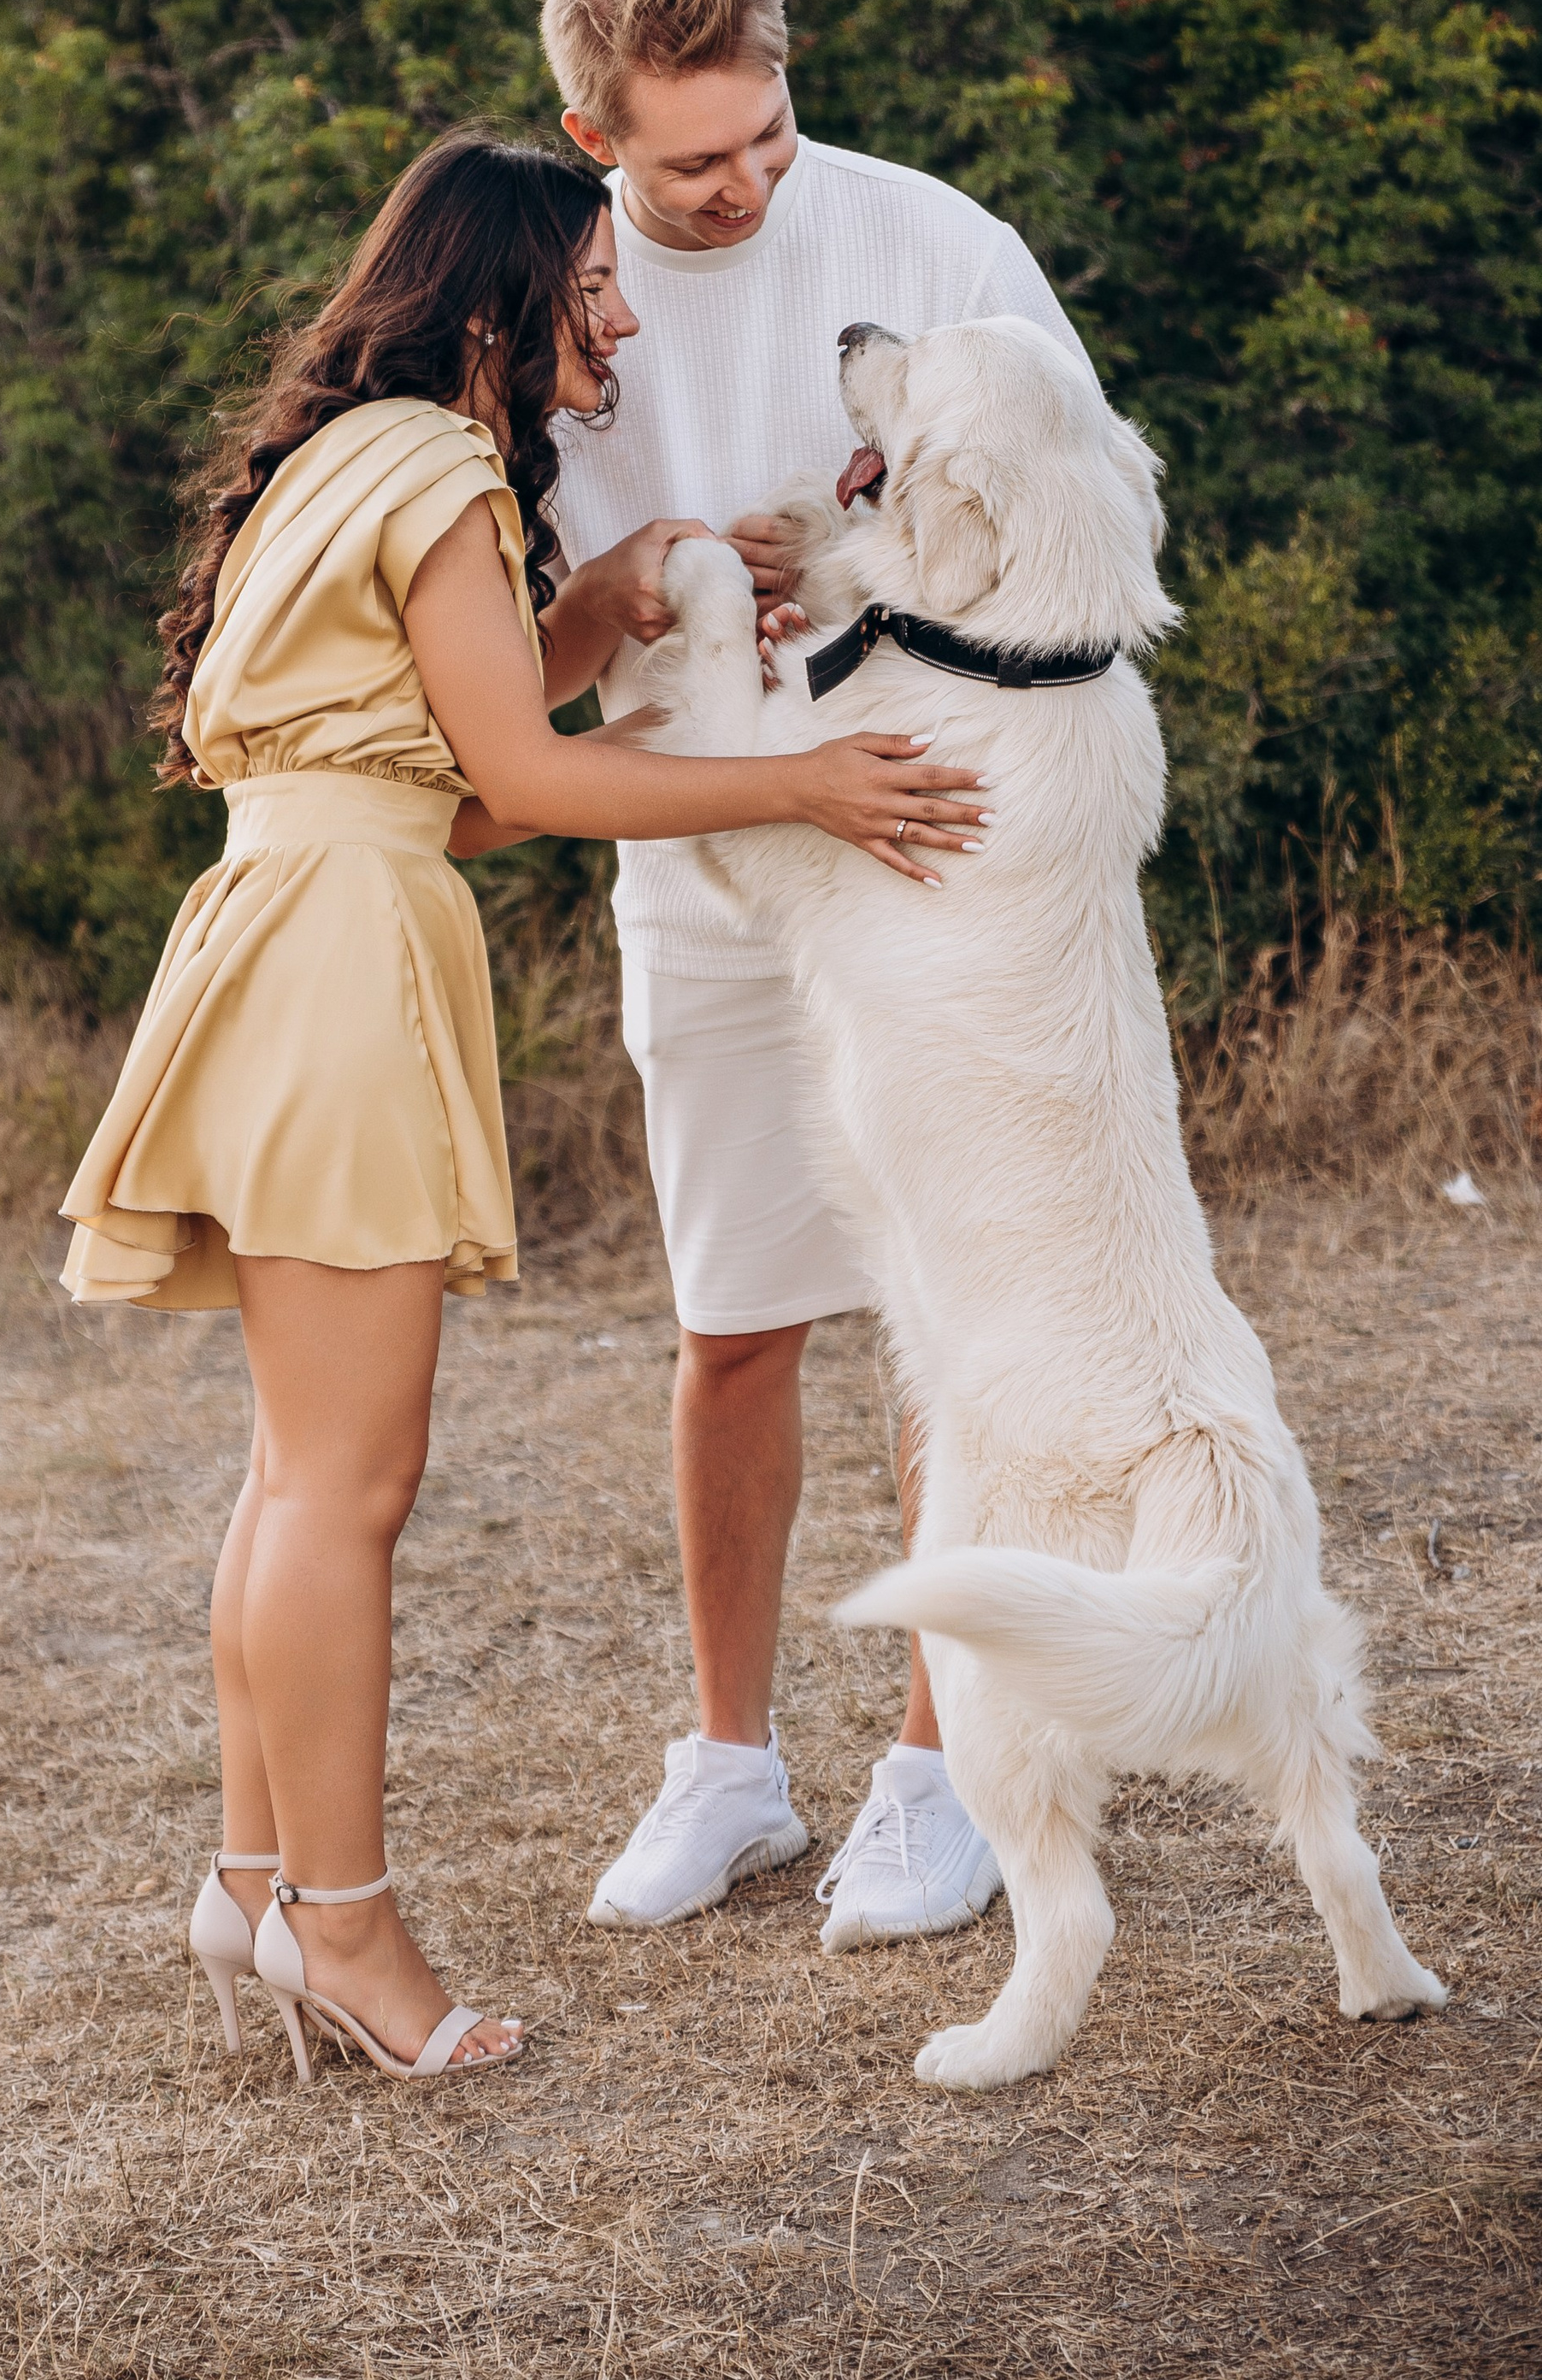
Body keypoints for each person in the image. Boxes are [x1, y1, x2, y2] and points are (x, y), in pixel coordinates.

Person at [58, 130, 989, 2084]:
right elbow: (534, 790)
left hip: (277, 925)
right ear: (495, 302)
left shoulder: (336, 462)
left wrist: (612, 607)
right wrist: (803, 781)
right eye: (590, 291)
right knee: (346, 1489)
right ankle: (343, 1928)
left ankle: (250, 1879)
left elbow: (447, 781)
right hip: (336, 966)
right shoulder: (442, 475)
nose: (623, 320)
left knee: (291, 1474)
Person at [538, 0, 1096, 1947]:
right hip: (694, 858)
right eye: (696, 159)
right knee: (730, 1318)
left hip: (923, 847)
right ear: (591, 132)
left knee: (943, 1315)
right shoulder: (543, 302)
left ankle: (943, 1770)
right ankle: (729, 1768)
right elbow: (504, 653)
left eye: (767, 132)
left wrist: (855, 575)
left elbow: (1070, 521)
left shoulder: (933, 245)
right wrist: (631, 589)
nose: (748, 182)